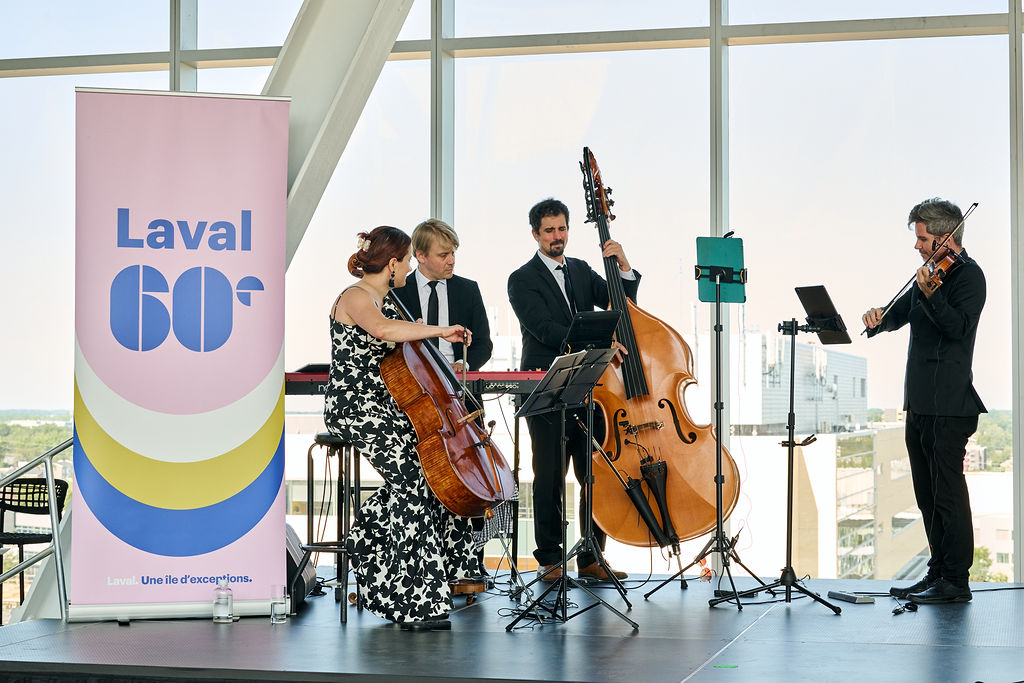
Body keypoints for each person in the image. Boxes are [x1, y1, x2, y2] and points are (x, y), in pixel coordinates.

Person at [323, 225, 478, 631]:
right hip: (355, 407)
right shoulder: (357, 297)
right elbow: (384, 332)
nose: (410, 267)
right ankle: (415, 602)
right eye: (407, 260)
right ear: (392, 263)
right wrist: (442, 330)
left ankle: (369, 546)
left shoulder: (387, 300)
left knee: (427, 478)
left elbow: (406, 350)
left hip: (385, 406)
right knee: (412, 484)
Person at [507, 197, 639, 582]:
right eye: (549, 230)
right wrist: (599, 341)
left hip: (590, 390)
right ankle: (549, 559)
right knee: (548, 478)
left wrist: (623, 267)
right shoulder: (522, 279)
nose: (556, 236)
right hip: (546, 388)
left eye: (562, 228)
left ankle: (591, 556)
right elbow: (545, 329)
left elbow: (621, 303)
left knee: (594, 475)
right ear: (535, 234)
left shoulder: (581, 270)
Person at [862, 197, 986, 605]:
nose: (916, 246)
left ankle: (957, 581)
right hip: (919, 402)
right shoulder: (926, 277)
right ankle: (938, 572)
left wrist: (932, 295)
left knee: (949, 495)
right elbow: (899, 313)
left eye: (922, 238)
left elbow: (957, 329)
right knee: (927, 496)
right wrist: (879, 317)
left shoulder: (969, 278)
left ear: (944, 238)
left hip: (950, 405)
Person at [394, 218, 498, 578]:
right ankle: (429, 562)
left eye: (453, 253)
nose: (452, 260)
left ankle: (471, 562)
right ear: (420, 255)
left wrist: (462, 361)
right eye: (444, 254)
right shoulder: (398, 291)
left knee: (472, 476)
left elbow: (483, 344)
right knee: (427, 480)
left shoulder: (468, 290)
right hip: (418, 401)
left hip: (458, 398)